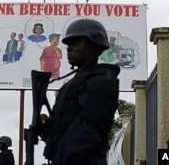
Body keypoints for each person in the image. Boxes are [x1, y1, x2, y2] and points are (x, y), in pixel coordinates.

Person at [40, 19, 120, 165]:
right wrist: (46, 128)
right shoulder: (72, 83)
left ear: (93, 47)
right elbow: (64, 128)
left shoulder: (102, 81)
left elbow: (88, 131)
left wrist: (60, 159)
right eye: (68, 45)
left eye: (76, 43)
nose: (69, 49)